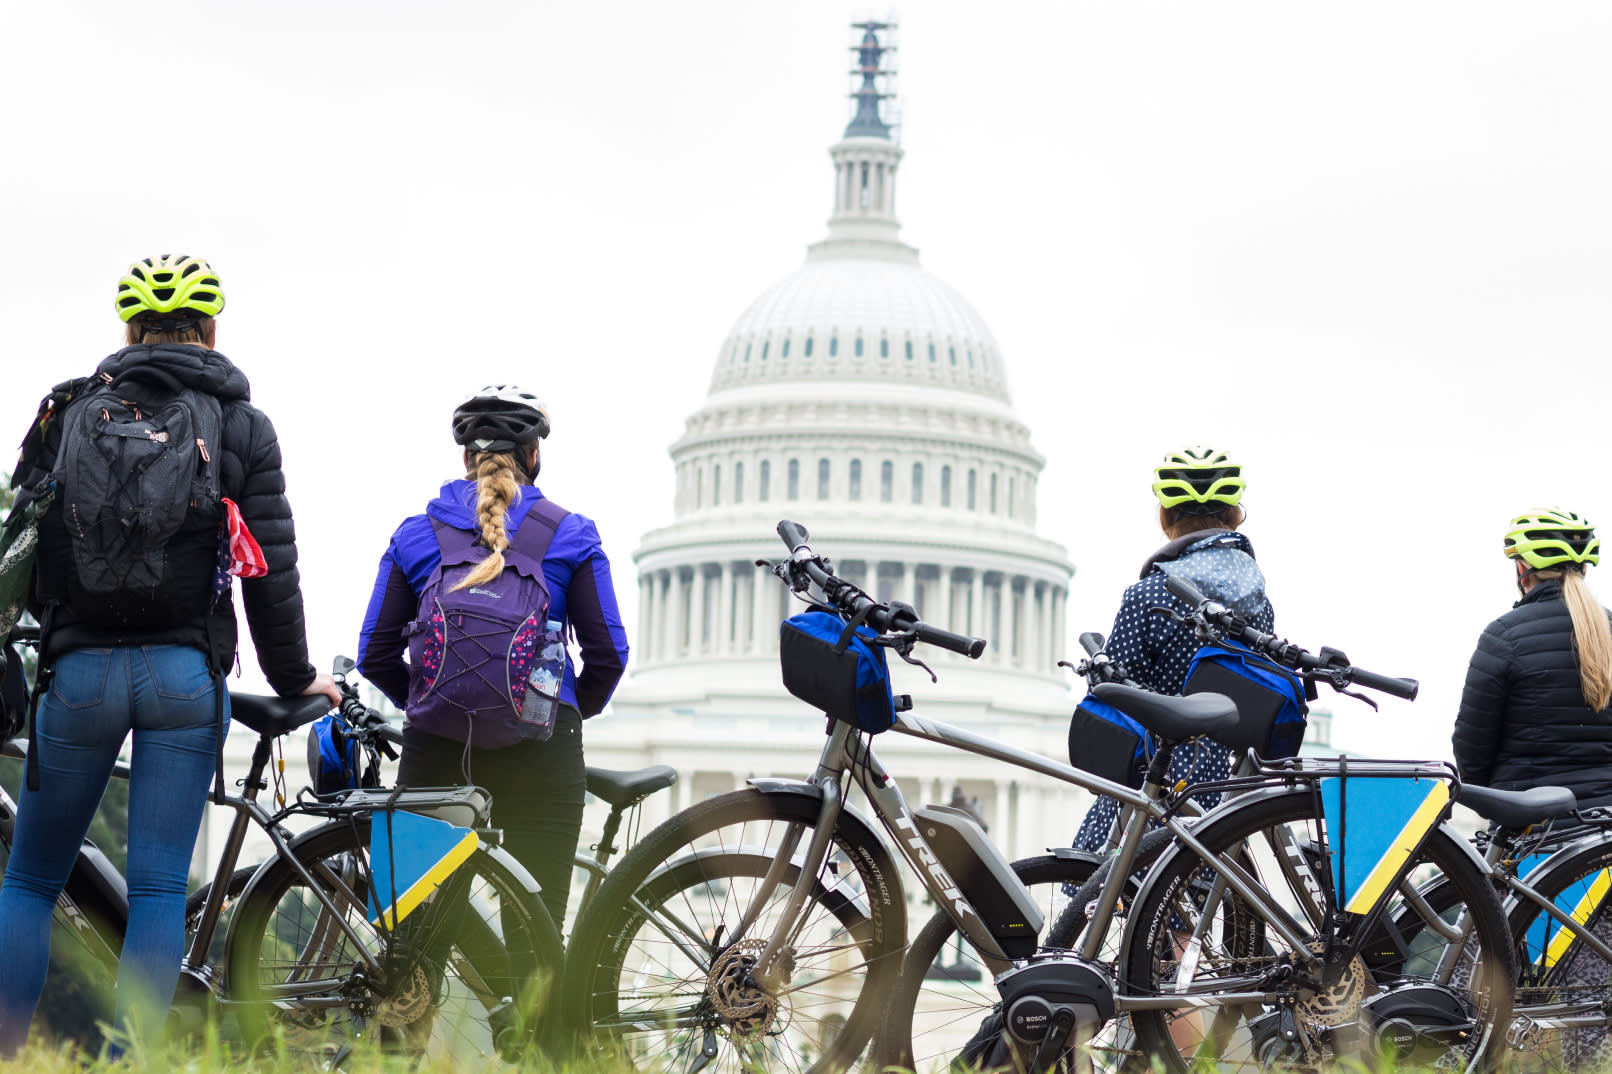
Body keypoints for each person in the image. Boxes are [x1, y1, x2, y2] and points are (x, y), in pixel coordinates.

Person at [0, 255, 339, 1054]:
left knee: (31, 880)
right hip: (183, 678)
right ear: (210, 332)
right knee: (157, 889)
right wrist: (296, 678)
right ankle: (135, 1063)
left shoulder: (67, 412)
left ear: (130, 330)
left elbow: (19, 545)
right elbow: (271, 572)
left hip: (77, 676)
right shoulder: (243, 426)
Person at [356, 384, 628, 929]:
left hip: (436, 750)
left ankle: (414, 984)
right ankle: (525, 989)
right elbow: (609, 654)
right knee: (535, 936)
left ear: (465, 458)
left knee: (411, 930)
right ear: (534, 455)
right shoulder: (571, 534)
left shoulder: (416, 534)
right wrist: (562, 709)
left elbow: (374, 652)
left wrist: (431, 700)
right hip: (541, 751)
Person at [1071, 446, 1275, 852]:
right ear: (1234, 516)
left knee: (1098, 879)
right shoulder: (1259, 603)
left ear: (1166, 518)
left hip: (1153, 778)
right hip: (1225, 791)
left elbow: (1114, 697)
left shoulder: (1147, 596)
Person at [1453, 509, 1612, 804]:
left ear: (1522, 567)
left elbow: (1472, 752)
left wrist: (1500, 802)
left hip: (1533, 821)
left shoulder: (1504, 636)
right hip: (1604, 821)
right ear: (1584, 568)